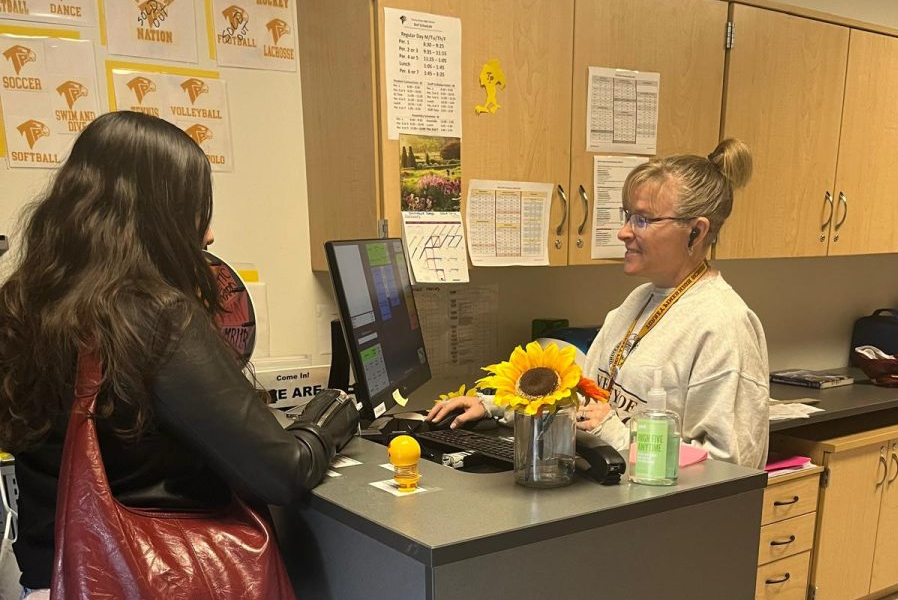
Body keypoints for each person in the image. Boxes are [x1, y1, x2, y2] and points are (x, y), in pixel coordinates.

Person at [0, 111, 355, 598]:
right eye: (195, 212)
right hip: (146, 579)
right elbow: (282, 472)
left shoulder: (22, 303)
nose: (207, 234)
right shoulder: (154, 317)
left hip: (53, 581)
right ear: (154, 217)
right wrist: (333, 416)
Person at [428, 139, 769, 469]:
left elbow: (731, 467)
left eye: (643, 220)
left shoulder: (724, 324)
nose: (623, 232)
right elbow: (580, 399)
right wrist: (495, 405)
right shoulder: (640, 299)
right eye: (627, 216)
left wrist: (617, 436)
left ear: (695, 232)